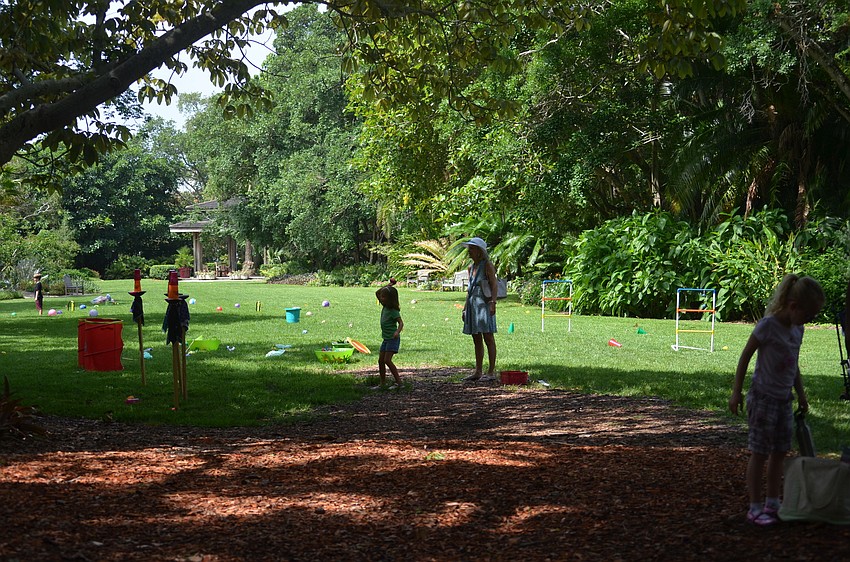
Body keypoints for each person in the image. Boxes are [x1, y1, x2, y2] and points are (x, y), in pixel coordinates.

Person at [729, 274, 824, 526]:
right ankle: (755, 507)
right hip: (763, 399)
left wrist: (801, 394)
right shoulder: (767, 326)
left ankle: (772, 502)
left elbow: (794, 364)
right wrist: (736, 392)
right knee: (759, 452)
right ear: (794, 307)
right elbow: (745, 357)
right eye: (809, 315)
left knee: (780, 451)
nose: (810, 321)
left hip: (784, 400)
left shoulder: (798, 329)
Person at [460, 237, 499, 382]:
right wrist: (465, 308)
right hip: (472, 304)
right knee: (476, 337)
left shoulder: (487, 265)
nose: (469, 251)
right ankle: (478, 371)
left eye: (471, 248)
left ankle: (491, 371)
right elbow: (469, 290)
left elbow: (494, 285)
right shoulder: (471, 268)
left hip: (484, 303)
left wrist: (493, 302)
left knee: (488, 337)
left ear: (479, 251)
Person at [375, 283, 403, 389]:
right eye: (381, 296)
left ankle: (399, 383)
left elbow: (401, 323)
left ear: (390, 299)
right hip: (386, 339)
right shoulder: (385, 306)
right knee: (380, 361)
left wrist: (397, 332)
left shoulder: (393, 311)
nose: (381, 298)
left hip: (392, 339)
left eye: (384, 296)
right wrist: (389, 285)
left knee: (387, 360)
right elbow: (377, 293)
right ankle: (382, 383)